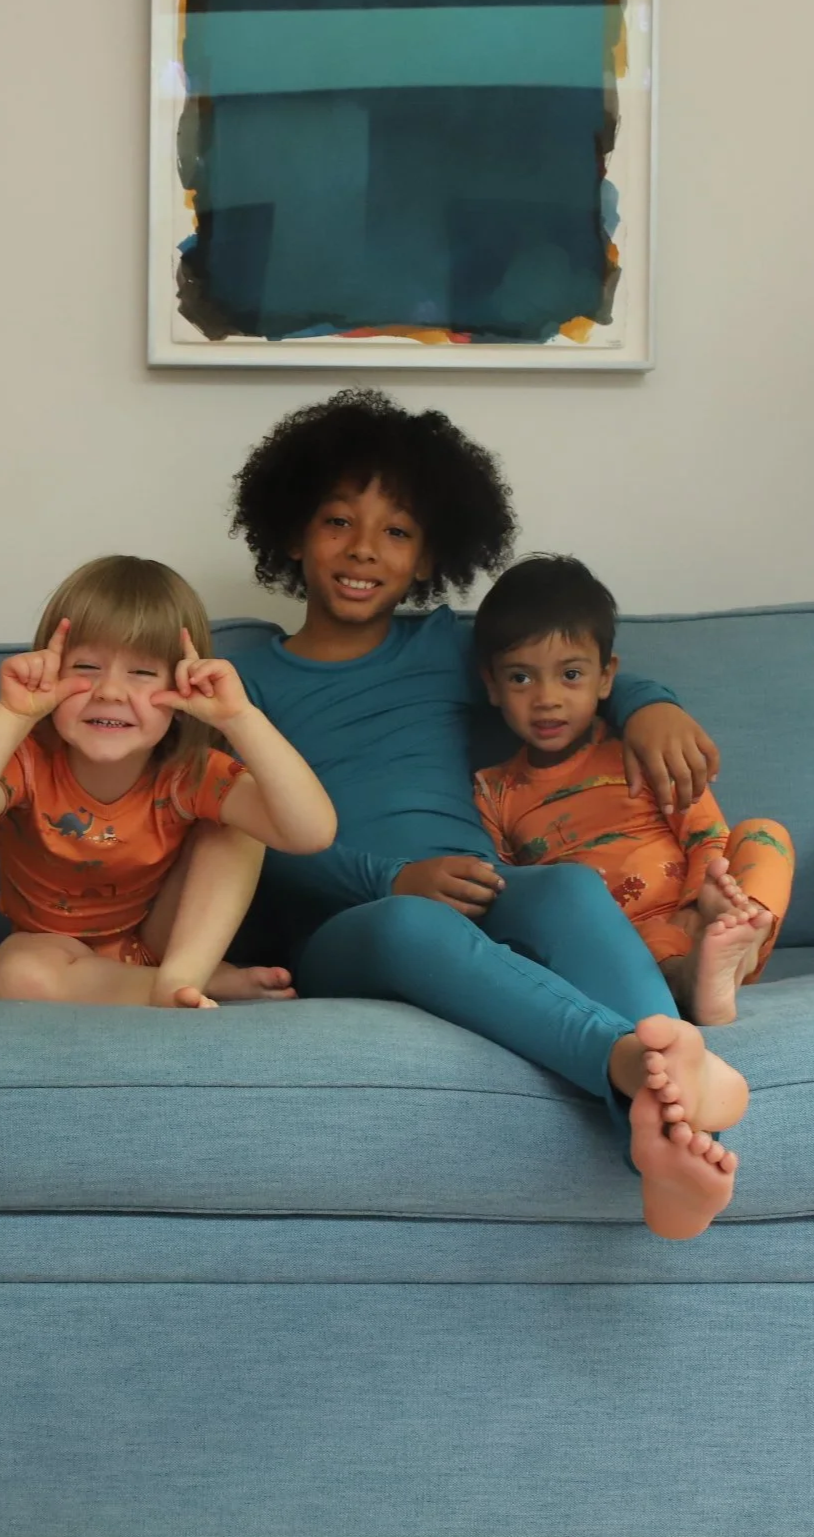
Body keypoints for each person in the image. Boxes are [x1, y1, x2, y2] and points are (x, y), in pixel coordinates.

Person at [229, 389, 748, 1240]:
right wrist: (391, 876)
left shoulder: (447, 649)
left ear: (429, 555)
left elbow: (559, 671)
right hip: (351, 926)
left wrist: (649, 701)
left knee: (572, 891)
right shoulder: (245, 681)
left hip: (487, 886)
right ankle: (628, 1059)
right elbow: (236, 830)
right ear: (290, 532)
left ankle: (664, 1148)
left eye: (396, 531)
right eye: (336, 522)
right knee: (409, 924)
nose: (365, 550)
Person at [0, 554, 335, 1009]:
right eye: (86, 667)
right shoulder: (27, 762)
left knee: (245, 818)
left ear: (181, 687)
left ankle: (184, 975)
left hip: (165, 938)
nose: (110, 692)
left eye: (142, 672)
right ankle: (182, 990)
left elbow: (310, 833)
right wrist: (11, 715)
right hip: (57, 947)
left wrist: (238, 717)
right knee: (16, 972)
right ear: (51, 673)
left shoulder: (188, 773)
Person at [472, 554, 794, 1027]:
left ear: (606, 677)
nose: (547, 698)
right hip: (613, 942)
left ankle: (729, 959)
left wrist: (697, 909)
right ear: (492, 685)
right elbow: (511, 894)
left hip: (706, 915)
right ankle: (693, 981)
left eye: (571, 674)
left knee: (766, 835)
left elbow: (705, 833)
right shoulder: (494, 791)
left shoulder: (641, 748)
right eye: (520, 677)